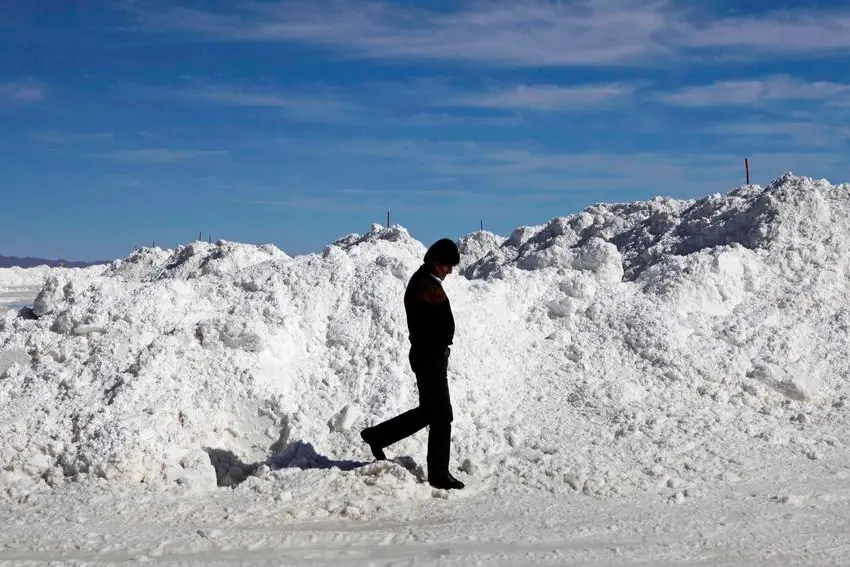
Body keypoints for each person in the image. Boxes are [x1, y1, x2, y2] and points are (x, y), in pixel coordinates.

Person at [360, 238, 465, 490]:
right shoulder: (424, 285)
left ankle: (377, 436)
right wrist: (440, 344)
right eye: (447, 265)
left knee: (430, 411)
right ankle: (438, 474)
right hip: (428, 357)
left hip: (429, 356)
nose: (449, 270)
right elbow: (433, 325)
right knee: (442, 416)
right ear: (435, 261)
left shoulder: (427, 282)